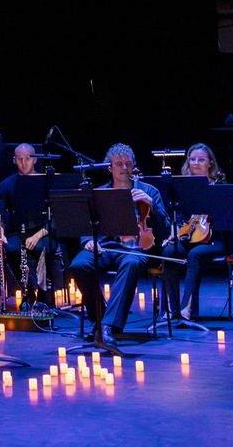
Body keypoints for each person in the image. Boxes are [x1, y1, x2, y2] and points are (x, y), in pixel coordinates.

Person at [67, 144, 167, 341]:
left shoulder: (149, 191)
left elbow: (165, 229)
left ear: (134, 166)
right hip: (104, 246)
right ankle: (99, 318)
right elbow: (87, 224)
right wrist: (88, 241)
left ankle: (107, 326)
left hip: (136, 248)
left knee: (132, 263)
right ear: (109, 167)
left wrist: (152, 205)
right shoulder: (99, 193)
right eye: (119, 163)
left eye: (128, 163)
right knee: (79, 265)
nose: (124, 167)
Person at [158, 143, 228, 321]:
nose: (196, 163)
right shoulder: (184, 186)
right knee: (169, 252)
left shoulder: (219, 185)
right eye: (192, 159)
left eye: (201, 160)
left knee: (195, 255)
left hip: (216, 238)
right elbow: (179, 215)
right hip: (190, 235)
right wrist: (176, 230)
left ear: (210, 163)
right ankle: (170, 310)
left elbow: (227, 216)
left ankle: (187, 308)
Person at [0, 143, 51, 307]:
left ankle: (44, 298)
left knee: (45, 248)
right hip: (18, 232)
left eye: (28, 158)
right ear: (14, 160)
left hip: (43, 232)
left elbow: (56, 216)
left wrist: (37, 236)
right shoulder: (6, 185)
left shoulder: (46, 182)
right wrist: (0, 232)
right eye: (20, 159)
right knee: (11, 248)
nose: (24, 163)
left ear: (35, 160)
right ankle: (28, 292)